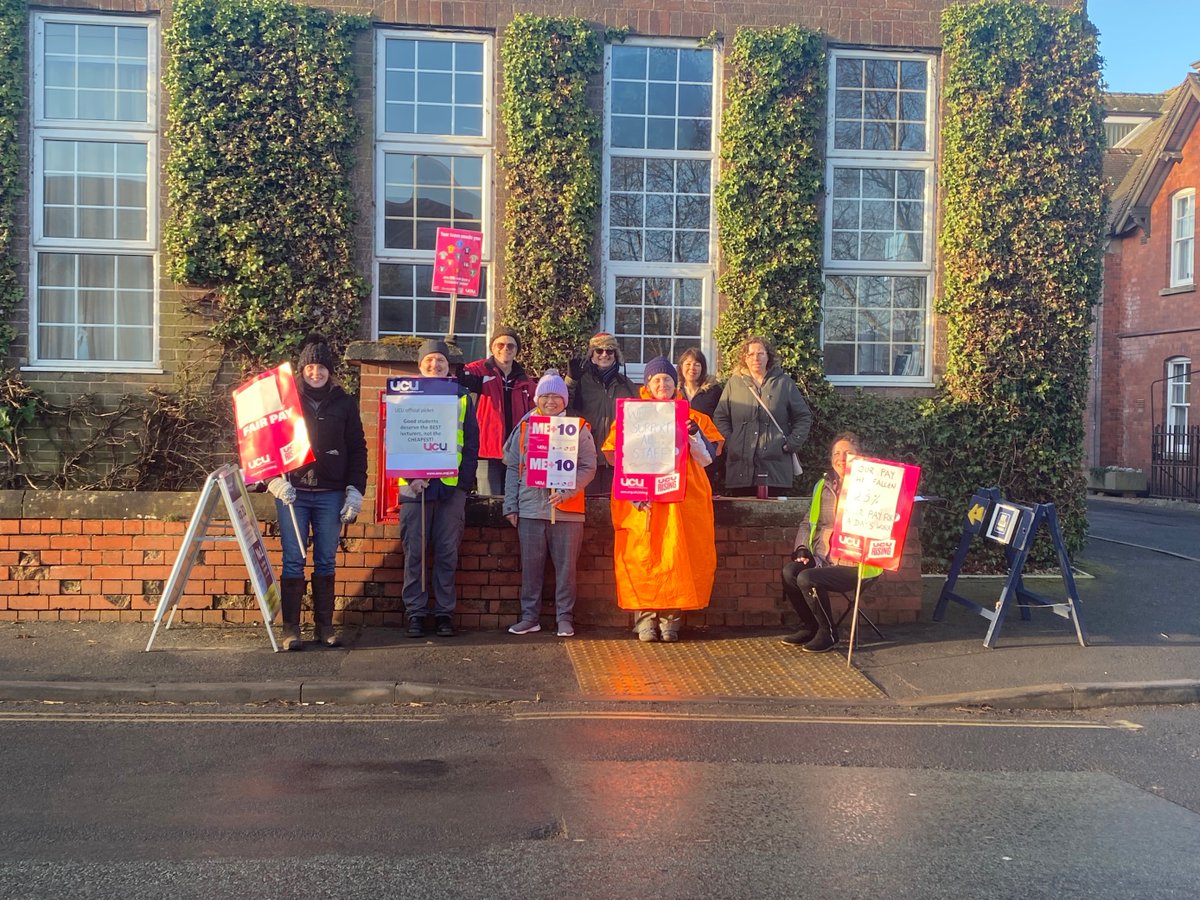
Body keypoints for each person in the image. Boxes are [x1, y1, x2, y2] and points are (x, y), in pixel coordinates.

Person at [602, 356, 723, 642]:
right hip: (642, 502)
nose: (662, 384)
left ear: (675, 382)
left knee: (677, 558)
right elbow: (614, 456)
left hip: (682, 501)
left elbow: (707, 459)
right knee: (642, 558)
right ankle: (644, 620)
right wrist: (633, 491)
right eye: (656, 379)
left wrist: (693, 434)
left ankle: (671, 620)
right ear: (647, 384)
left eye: (667, 379)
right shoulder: (630, 416)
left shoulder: (695, 417)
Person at [265, 334, 367, 651]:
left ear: (330, 370)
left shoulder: (345, 402)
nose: (316, 372)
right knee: (294, 560)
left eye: (321, 367)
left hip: (330, 493)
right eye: (310, 367)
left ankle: (324, 628)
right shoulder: (286, 402)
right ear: (302, 369)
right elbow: (266, 443)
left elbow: (357, 449)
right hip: (293, 492)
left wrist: (355, 490)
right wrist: (272, 480)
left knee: (325, 560)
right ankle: (291, 630)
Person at [502, 369, 597, 637]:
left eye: (557, 396)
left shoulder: (578, 428)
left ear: (565, 400)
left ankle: (564, 617)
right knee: (530, 568)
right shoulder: (524, 426)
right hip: (530, 508)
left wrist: (567, 491)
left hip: (568, 511)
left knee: (567, 570)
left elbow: (588, 467)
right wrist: (510, 504)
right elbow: (512, 467)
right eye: (545, 396)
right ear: (537, 399)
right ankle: (530, 617)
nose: (551, 401)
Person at [398, 339, 480, 638]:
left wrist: (461, 485)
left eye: (441, 362)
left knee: (447, 552)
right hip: (413, 489)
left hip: (450, 489)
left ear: (449, 367)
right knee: (415, 553)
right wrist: (411, 477)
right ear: (420, 366)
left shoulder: (461, 397)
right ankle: (416, 614)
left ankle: (444, 612)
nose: (435, 365)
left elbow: (470, 445)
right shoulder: (403, 397)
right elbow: (396, 441)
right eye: (429, 361)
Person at [780, 432, 883, 653]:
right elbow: (808, 521)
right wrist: (801, 548)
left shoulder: (873, 488)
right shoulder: (822, 486)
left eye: (848, 453)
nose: (841, 457)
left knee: (807, 577)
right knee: (791, 571)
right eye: (837, 453)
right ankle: (811, 627)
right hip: (822, 558)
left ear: (859, 456)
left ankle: (829, 634)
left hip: (856, 565)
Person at [713, 335, 812, 497]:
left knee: (773, 518)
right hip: (740, 469)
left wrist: (792, 443)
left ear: (768, 356)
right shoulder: (734, 384)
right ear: (744, 358)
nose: (755, 358)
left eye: (760, 353)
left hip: (775, 469)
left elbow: (803, 417)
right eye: (750, 354)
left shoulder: (784, 383)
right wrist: (731, 443)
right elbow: (720, 417)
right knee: (743, 518)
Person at [459, 326, 537, 496]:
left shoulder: (524, 379)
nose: (505, 349)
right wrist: (452, 354)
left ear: (517, 350)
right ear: (492, 347)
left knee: (512, 500)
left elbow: (538, 411)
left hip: (516, 452)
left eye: (511, 346)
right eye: (500, 345)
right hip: (486, 449)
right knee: (489, 499)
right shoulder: (478, 370)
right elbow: (456, 376)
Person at [568, 331, 637, 497]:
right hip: (586, 457)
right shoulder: (581, 381)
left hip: (616, 458)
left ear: (616, 354)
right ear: (592, 353)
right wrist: (570, 381)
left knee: (612, 506)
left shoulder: (625, 385)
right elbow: (562, 406)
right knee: (587, 505)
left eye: (609, 351)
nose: (604, 355)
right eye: (599, 350)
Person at [677, 346, 724, 490]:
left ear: (702, 368)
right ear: (681, 367)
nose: (692, 368)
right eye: (688, 364)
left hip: (706, 449)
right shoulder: (674, 391)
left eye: (697, 364)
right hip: (679, 451)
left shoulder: (714, 391)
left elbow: (721, 418)